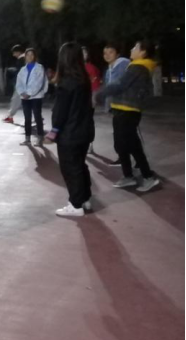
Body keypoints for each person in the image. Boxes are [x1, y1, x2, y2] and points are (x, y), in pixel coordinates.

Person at [95, 40, 160, 193]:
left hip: (128, 110)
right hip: (122, 108)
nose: (132, 49)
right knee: (123, 144)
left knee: (132, 145)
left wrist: (100, 94)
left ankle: (148, 177)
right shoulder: (135, 66)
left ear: (143, 52)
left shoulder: (138, 67)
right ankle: (128, 176)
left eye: (135, 47)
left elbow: (120, 84)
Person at [45, 42, 95, 217]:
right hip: (84, 130)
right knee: (80, 166)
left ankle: (75, 204)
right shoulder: (84, 80)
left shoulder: (66, 83)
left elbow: (61, 112)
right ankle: (84, 198)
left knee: (70, 168)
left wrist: (52, 133)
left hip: (70, 133)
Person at [102, 43, 131, 165]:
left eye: (111, 52)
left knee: (127, 134)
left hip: (125, 104)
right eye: (105, 53)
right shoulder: (109, 69)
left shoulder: (123, 64)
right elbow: (108, 88)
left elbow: (119, 85)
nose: (107, 55)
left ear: (117, 54)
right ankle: (123, 158)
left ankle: (133, 161)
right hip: (116, 105)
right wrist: (108, 106)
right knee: (119, 133)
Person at [15, 48, 48, 146]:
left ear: (35, 56)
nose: (29, 57)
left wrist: (29, 93)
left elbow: (39, 83)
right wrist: (22, 93)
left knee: (37, 117)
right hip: (25, 98)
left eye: (31, 55)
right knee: (27, 118)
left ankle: (40, 138)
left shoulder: (39, 68)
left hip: (36, 97)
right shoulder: (22, 70)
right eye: (27, 55)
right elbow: (18, 83)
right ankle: (27, 139)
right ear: (25, 56)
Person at [3, 45, 26, 124]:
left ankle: (10, 117)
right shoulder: (27, 57)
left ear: (18, 52)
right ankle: (38, 117)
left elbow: (21, 71)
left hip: (22, 83)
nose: (13, 55)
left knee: (16, 99)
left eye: (14, 53)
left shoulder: (22, 59)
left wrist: (13, 70)